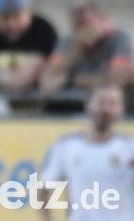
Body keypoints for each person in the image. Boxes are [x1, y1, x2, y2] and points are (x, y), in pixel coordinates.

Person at [39, 84, 133, 221]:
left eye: (112, 104)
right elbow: (42, 190)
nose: (106, 109)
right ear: (88, 105)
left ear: (121, 110)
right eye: (101, 102)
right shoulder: (66, 147)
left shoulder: (129, 148)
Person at [40, 1, 133, 92]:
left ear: (102, 19)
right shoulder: (69, 40)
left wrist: (72, 81)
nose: (83, 29)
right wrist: (77, 49)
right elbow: (48, 76)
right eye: (77, 23)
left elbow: (116, 79)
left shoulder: (119, 38)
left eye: (86, 22)